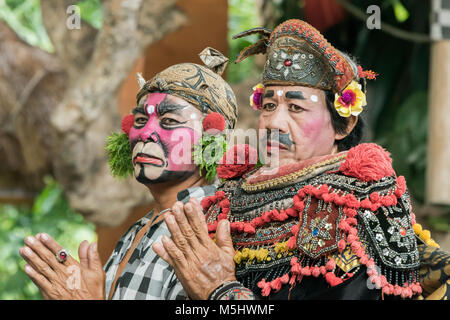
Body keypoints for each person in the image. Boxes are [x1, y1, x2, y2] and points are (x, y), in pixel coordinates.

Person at [153, 19, 449, 300]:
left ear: (342, 125)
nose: (274, 122)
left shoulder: (358, 204)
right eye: (268, 105)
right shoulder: (229, 198)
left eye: (295, 107)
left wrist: (223, 291)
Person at [18, 47, 238, 300]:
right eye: (141, 121)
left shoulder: (217, 226)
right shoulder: (139, 229)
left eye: (169, 121)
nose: (145, 133)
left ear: (212, 139)